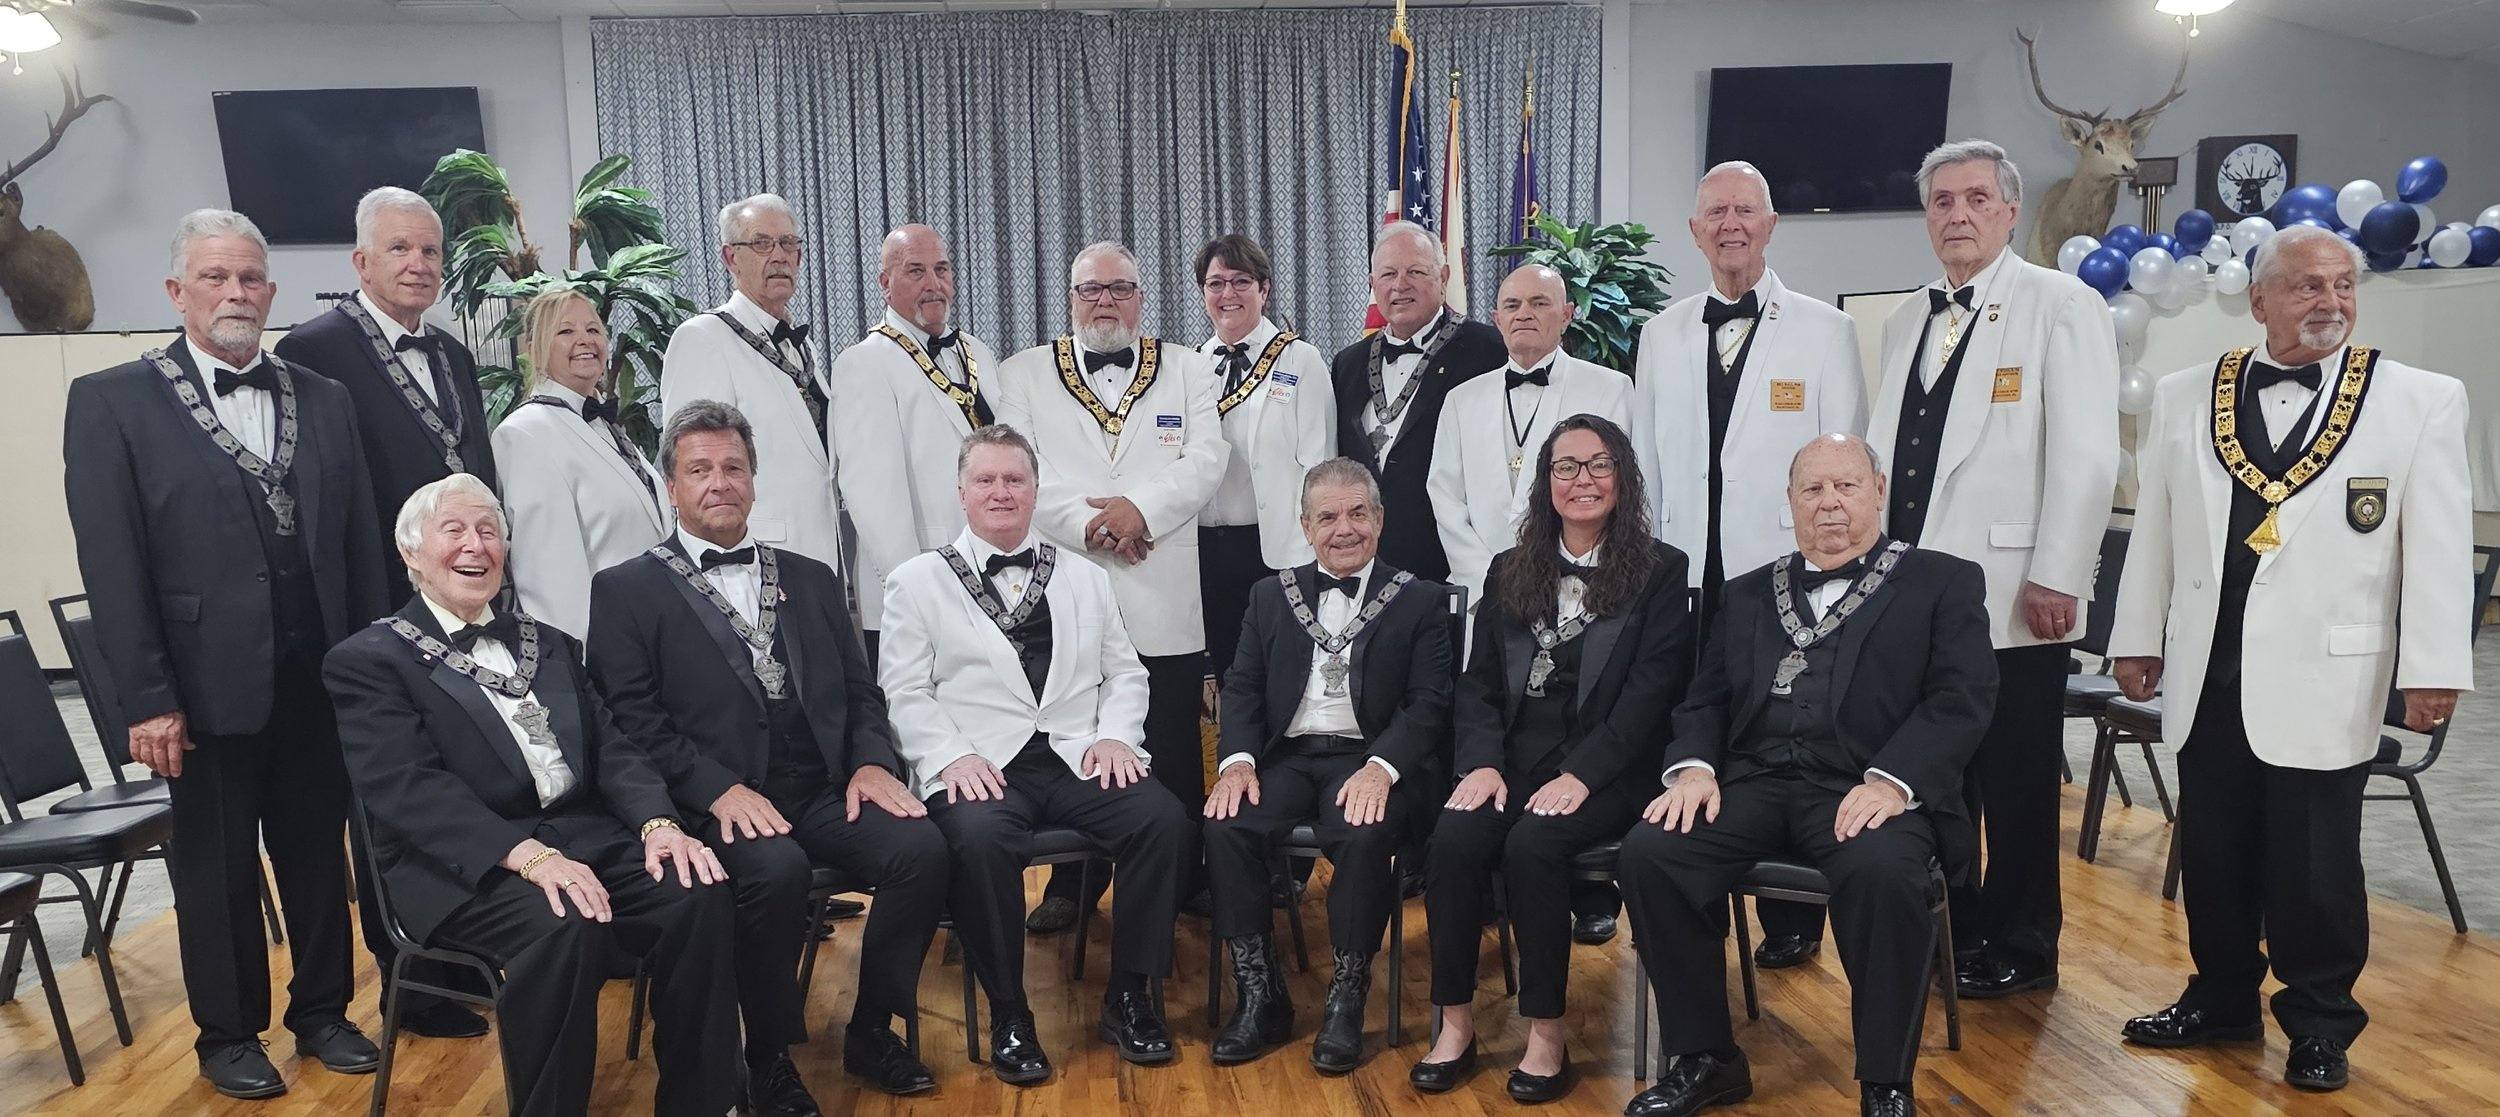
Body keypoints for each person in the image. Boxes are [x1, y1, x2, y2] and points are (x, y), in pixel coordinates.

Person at [2107, 225, 2472, 1093]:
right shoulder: (2187, 393)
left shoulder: (2419, 400)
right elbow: (2155, 529)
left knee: (2315, 863)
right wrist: (2135, 635)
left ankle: (2319, 1021)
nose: (2330, 302)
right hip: (2209, 666)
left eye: (2344, 285)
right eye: (2308, 286)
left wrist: (2433, 667)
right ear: (2258, 299)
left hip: (2329, 673)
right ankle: (2222, 996)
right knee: (2215, 848)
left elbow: (2439, 545)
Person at [63, 209, 388, 1099]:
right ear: (178, 292)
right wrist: (146, 699)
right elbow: (113, 567)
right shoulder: (112, 402)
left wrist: (372, 672)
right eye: (215, 277)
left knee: (316, 855)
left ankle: (323, 1011)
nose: (235, 292)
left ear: (271, 292)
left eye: (249, 278)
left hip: (319, 677)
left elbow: (360, 545)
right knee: (216, 867)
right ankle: (228, 1032)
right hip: (200, 691)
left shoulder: (324, 397)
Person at [324, 474, 740, 1117]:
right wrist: (528, 857)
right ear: (411, 553)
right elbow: (409, 790)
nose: (476, 545)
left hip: (584, 837)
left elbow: (612, 746)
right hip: (463, 865)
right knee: (565, 926)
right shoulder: (369, 660)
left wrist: (659, 823)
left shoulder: (549, 644)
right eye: (454, 531)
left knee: (697, 890)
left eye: (489, 531)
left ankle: (701, 1104)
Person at [1620, 434, 1996, 1117]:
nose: (1830, 503)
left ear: (1879, 491)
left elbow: (1960, 700)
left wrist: (1892, 782)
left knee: (1884, 871)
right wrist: (1695, 770)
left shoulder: (1944, 581)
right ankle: (1707, 1058)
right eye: (1812, 489)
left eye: (1846, 486)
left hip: (1867, 788)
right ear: (1790, 501)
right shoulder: (1747, 592)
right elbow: (1706, 697)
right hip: (1756, 781)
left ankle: (1885, 1080)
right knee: (1653, 852)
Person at [588, 401, 950, 1110]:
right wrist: (712, 788)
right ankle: (768, 1055)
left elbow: (860, 689)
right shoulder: (625, 589)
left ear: (753, 480)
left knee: (921, 848)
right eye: (699, 470)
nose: (719, 482)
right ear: (671, 486)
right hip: (713, 800)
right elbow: (630, 721)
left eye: (733, 467)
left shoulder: (811, 577)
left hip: (821, 788)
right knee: (777, 872)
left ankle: (872, 1029)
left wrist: (872, 762)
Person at [1864, 140, 2119, 999]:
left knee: (2015, 782)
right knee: (1938, 778)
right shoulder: (1905, 318)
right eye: (1942, 201)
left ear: (2010, 212)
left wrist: (2061, 573)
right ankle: (1956, 928)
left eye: (1977, 198)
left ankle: (2024, 941)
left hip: (2015, 592)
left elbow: (2088, 454)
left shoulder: (2062, 303)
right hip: (1914, 593)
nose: (1958, 214)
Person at [880, 424, 1195, 1085]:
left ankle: (1129, 995)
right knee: (980, 840)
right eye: (986, 480)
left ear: (1034, 489)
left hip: (1076, 755)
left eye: (1014, 479)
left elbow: (1126, 672)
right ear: (961, 491)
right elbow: (904, 692)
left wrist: (1115, 736)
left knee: (1162, 819)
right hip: (981, 764)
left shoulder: (1084, 575)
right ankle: (1010, 1013)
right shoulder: (915, 581)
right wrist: (949, 756)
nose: (1001, 491)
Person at [1409, 415, 1694, 1104]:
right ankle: (1454, 1022)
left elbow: (1650, 695)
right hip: (1511, 764)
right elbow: (1477, 685)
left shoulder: (1662, 570)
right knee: (1453, 837)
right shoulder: (1509, 567)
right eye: (1566, 466)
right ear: (1546, 482)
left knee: (1534, 844)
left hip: (1609, 769)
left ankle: (1546, 1031)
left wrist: (1582, 775)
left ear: (1623, 478)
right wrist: (1481, 763)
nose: (1582, 480)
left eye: (1599, 465)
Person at [1633, 161, 1868, 970]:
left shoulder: (1824, 330)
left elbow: (1844, 461)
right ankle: (1690, 889)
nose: (1730, 224)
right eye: (1716, 213)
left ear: (1771, 226)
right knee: (1693, 728)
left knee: (1778, 733)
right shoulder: (1661, 332)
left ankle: (1791, 915)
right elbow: (1646, 461)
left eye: (1745, 211)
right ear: (1695, 231)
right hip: (1686, 574)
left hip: (1785, 578)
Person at [994, 241, 1226, 933]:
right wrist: (1092, 525)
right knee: (1073, 739)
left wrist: (1140, 512)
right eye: (1091, 289)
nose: (1105, 301)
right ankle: (1074, 881)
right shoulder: (1022, 372)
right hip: (1068, 586)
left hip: (1163, 584)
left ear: (1141, 297)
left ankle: (1181, 879)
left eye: (1120, 288)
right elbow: (1020, 467)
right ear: (1070, 298)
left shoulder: (1189, 368)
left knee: (1173, 742)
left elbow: (1207, 458)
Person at [1205, 457, 1454, 1073]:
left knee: (1365, 832)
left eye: (1357, 513)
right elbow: (1243, 687)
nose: (1344, 529)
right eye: (1327, 517)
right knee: (1226, 825)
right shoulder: (1269, 595)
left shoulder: (1419, 599)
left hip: (1369, 759)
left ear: (1380, 520)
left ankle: (1347, 997)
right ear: (1305, 526)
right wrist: (1236, 762)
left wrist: (1383, 766)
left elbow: (1430, 702)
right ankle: (1260, 995)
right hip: (1288, 757)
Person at [275, 186, 498, 604]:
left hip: (469, 580)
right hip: (381, 589)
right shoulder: (311, 351)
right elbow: (321, 498)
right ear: (362, 262)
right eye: (399, 248)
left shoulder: (456, 354)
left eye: (430, 252)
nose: (418, 265)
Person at [829, 224, 1005, 657]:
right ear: (885, 283)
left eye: (941, 270)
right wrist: (913, 592)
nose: (933, 284)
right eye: (915, 271)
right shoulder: (863, 363)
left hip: (994, 574)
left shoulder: (978, 352)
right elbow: (873, 497)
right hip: (923, 582)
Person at [1429, 263, 1633, 617]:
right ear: (1497, 320)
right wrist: (1489, 581)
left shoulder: (1610, 389)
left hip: (1578, 592)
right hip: (1483, 600)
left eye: (1539, 303)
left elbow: (1618, 489)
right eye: (1512, 305)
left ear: (1567, 315)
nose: (1524, 313)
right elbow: (1445, 496)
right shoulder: (1461, 399)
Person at [660, 193, 842, 569]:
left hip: (820, 558)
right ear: (731, 258)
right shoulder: (702, 338)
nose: (779, 256)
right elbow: (694, 468)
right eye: (761, 243)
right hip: (750, 560)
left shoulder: (800, 344)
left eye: (787, 243)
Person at [1193, 233, 1336, 683]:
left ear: (1264, 288)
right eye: (1216, 283)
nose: (1228, 293)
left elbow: (1320, 466)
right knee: (1227, 674)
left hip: (1276, 547)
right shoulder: (1191, 365)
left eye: (1241, 281)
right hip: (1205, 550)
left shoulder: (1300, 359)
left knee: (1281, 675)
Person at [1331, 220, 1506, 583]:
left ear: (1443, 277)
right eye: (1388, 274)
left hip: (1451, 561)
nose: (1400, 285)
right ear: (1372, 283)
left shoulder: (1489, 351)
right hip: (1366, 562)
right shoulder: (1346, 363)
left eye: (1415, 271)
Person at [492, 288, 670, 640]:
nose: (585, 340)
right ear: (535, 348)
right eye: (565, 331)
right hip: (606, 647)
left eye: (593, 329)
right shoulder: (526, 433)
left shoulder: (604, 423)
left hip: (655, 634)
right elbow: (548, 579)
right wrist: (578, 662)